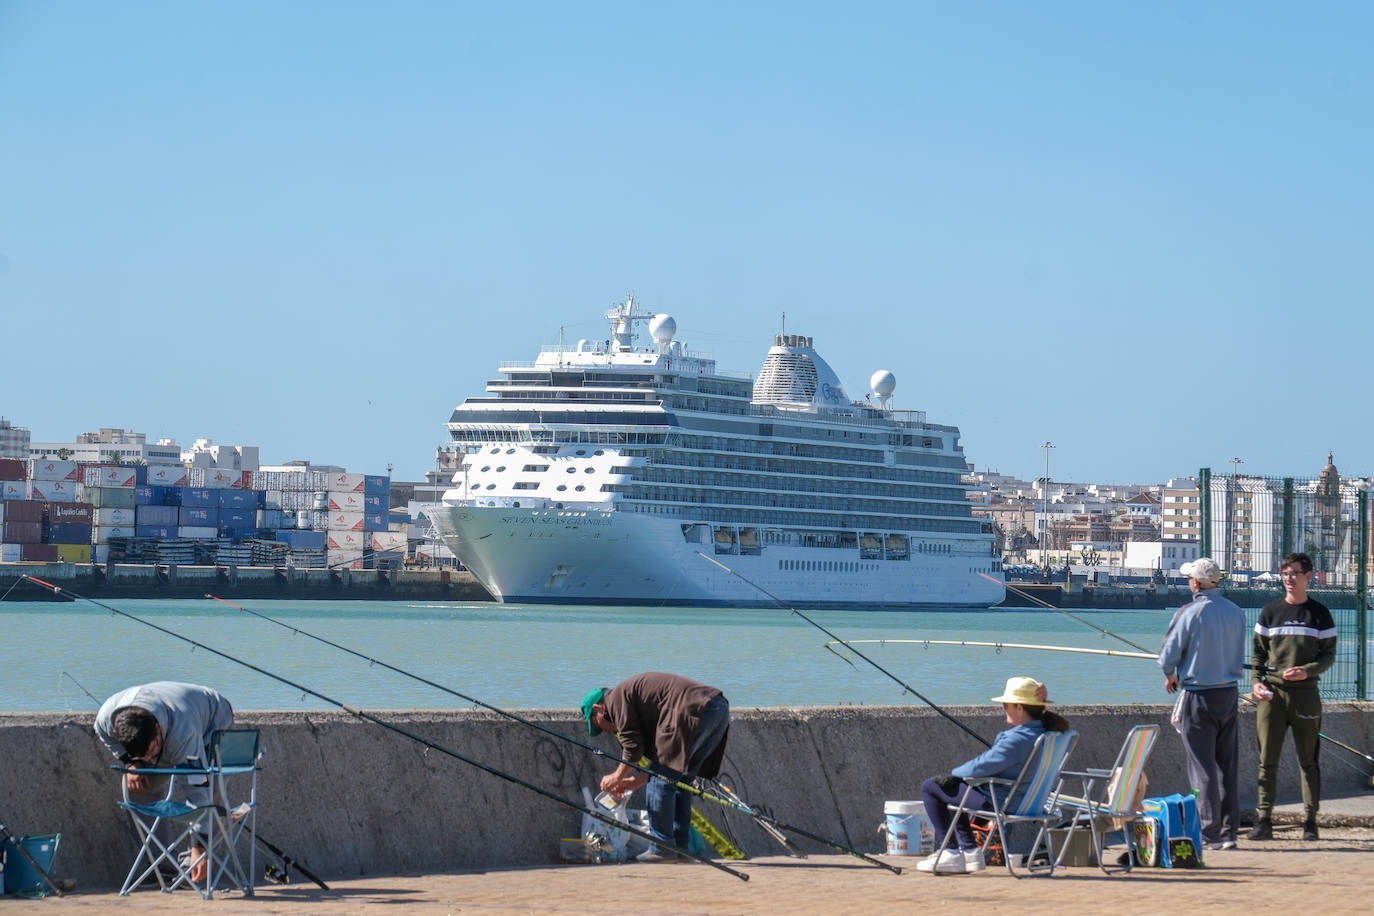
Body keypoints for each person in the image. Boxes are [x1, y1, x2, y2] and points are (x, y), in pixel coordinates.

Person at [916, 676, 1067, 874]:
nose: (1003, 708)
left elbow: (981, 766)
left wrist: (954, 775)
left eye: (1006, 704)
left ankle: (951, 852)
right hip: (1032, 803)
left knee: (933, 786)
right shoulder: (1052, 734)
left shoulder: (1017, 739)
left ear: (1019, 708)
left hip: (1005, 802)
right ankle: (970, 852)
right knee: (954, 789)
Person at [580, 672, 730, 863]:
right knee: (681, 782)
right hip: (717, 708)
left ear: (598, 708)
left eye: (598, 724)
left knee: (660, 783)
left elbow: (633, 749)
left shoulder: (616, 700)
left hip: (690, 711)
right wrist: (633, 782)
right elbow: (663, 764)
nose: (605, 731)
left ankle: (662, 848)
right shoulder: (633, 700)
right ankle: (681, 848)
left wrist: (616, 777)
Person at [94, 682, 235, 883]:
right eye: (143, 755)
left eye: (151, 751)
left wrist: (200, 846)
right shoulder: (107, 717)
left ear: (157, 729)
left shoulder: (183, 735)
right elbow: (101, 731)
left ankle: (192, 866)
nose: (149, 758)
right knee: (137, 788)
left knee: (210, 791)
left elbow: (199, 794)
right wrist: (131, 762)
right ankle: (162, 862)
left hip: (213, 721)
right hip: (166, 729)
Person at [1158, 556, 1247, 850]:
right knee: (1227, 765)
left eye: (1189, 579)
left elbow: (1168, 654)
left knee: (1202, 767)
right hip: (1229, 693)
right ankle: (1229, 832)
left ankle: (1210, 833)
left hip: (1198, 695)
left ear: (1195, 583)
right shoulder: (1236, 612)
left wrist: (1171, 674)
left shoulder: (1189, 612)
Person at [1249, 552, 1337, 842]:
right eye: (1285, 573)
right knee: (1267, 760)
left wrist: (1307, 671)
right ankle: (1264, 820)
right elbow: (1258, 655)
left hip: (1306, 696)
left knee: (1308, 761)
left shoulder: (1319, 614)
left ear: (1307, 577)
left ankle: (1310, 822)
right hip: (1272, 696)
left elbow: (1328, 656)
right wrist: (1256, 683)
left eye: (1294, 574)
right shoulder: (1270, 612)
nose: (1288, 579)